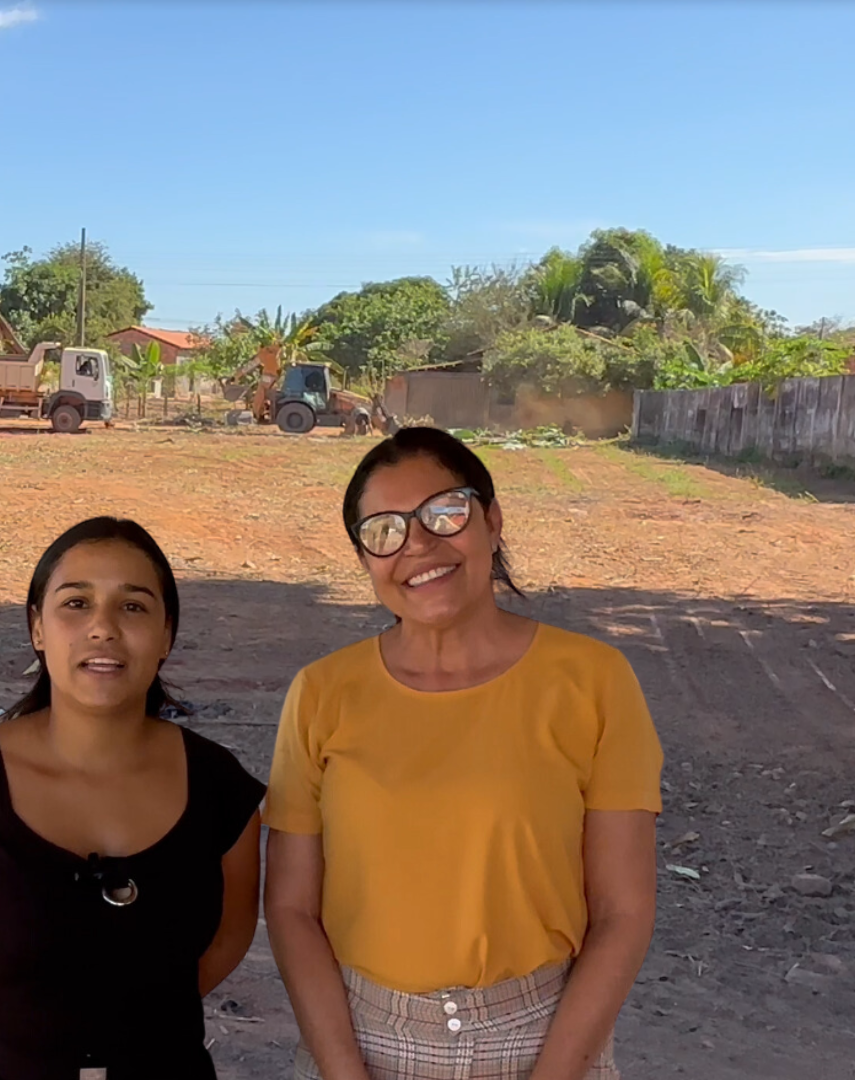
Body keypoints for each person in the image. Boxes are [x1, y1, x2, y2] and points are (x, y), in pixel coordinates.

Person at [263, 426, 662, 1080]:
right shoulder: (322, 694)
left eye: (445, 512)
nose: (418, 544)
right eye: (384, 530)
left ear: (492, 521)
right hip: (358, 1044)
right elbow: (291, 908)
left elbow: (623, 912)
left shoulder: (593, 682)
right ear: (364, 560)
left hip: (546, 1044)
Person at [0, 517, 266, 1080]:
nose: (103, 629)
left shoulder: (219, 786)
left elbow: (229, 936)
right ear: (37, 628)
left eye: (132, 607)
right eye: (76, 604)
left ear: (166, 635)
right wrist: (3, 1041)